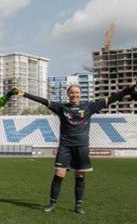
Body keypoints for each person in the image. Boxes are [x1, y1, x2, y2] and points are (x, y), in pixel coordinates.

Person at [20, 83, 136, 214]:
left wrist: (128, 89)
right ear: (68, 94)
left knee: (80, 175)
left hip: (81, 146)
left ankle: (78, 205)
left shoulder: (89, 106)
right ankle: (52, 204)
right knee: (59, 173)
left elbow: (112, 99)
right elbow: (43, 101)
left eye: (76, 93)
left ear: (80, 94)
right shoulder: (61, 107)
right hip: (65, 146)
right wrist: (25, 94)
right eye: (72, 93)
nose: (74, 95)